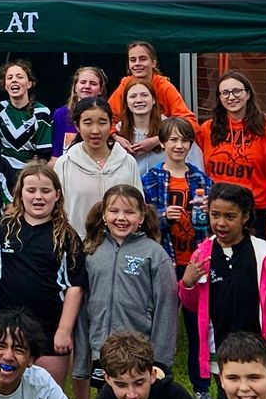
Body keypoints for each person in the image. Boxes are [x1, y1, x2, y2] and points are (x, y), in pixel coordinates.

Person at [179, 184, 266, 399]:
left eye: (230, 216)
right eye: (215, 215)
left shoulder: (265, 256)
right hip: (220, 345)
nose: (221, 223)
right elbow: (194, 307)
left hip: (259, 346)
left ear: (245, 217)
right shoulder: (202, 254)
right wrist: (187, 284)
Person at [0, 161, 85, 393]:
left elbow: (75, 287)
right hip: (8, 325)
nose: (38, 196)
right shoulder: (2, 229)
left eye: (45, 191)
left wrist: (64, 330)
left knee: (51, 395)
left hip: (50, 328)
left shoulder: (67, 236)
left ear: (57, 195)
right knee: (3, 394)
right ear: (20, 193)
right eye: (31, 190)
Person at [79, 186, 179, 395]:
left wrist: (160, 362)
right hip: (103, 351)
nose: (121, 218)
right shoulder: (91, 251)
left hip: (139, 352)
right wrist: (82, 359)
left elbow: (166, 310)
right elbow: (83, 306)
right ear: (104, 215)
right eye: (114, 211)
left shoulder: (155, 254)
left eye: (129, 212)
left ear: (141, 217)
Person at [194, 72, 266, 241]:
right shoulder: (208, 129)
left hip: (253, 215)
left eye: (237, 91)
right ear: (219, 98)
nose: (231, 97)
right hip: (217, 212)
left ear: (247, 94)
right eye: (225, 93)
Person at [55, 97, 142, 233]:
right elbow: (57, 210)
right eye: (88, 123)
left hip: (121, 245)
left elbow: (138, 206)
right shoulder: (64, 164)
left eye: (102, 123)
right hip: (79, 246)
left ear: (110, 124)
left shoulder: (127, 161)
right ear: (77, 126)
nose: (95, 130)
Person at [141, 116, 212, 279]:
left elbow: (214, 223)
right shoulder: (151, 179)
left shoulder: (202, 179)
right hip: (165, 255)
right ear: (162, 143)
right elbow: (142, 220)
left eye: (185, 141)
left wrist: (211, 211)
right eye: (173, 140)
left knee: (195, 302)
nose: (179, 146)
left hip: (197, 257)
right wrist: (163, 216)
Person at [105, 42, 195, 124]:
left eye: (143, 59)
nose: (137, 63)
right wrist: (116, 136)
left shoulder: (164, 87)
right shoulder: (125, 86)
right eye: (132, 60)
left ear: (153, 63)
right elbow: (105, 117)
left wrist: (161, 137)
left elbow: (188, 121)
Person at [0, 60, 52, 174]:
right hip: (2, 171)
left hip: (29, 173)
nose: (14, 80)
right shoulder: (1, 108)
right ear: (5, 85)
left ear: (29, 84)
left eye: (19, 77)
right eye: (9, 78)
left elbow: (44, 154)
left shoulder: (41, 113)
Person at [50, 65, 109, 156]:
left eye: (93, 83)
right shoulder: (60, 114)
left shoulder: (106, 114)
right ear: (75, 87)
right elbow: (55, 155)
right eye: (83, 82)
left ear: (100, 89)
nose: (87, 86)